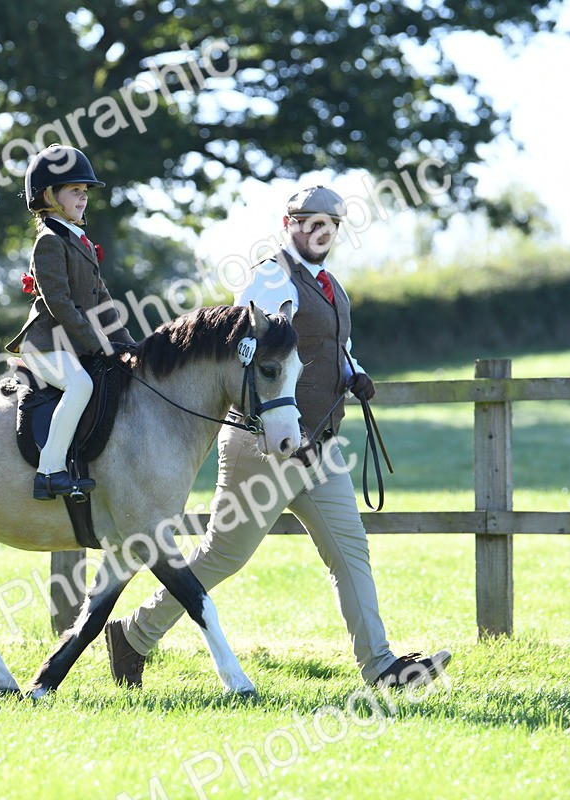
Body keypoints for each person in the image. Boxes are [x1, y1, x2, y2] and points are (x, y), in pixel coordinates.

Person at [104, 186, 452, 688]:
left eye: (328, 224)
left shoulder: (330, 285)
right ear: (288, 225)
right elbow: (261, 346)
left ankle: (381, 669)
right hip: (264, 446)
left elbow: (336, 344)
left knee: (351, 551)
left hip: (321, 446)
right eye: (307, 222)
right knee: (224, 555)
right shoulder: (272, 277)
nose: (318, 231)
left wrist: (354, 370)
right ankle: (135, 635)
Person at [5, 144, 136, 501]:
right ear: (49, 195)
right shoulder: (48, 242)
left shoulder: (79, 240)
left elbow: (103, 303)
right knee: (80, 387)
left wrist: (128, 345)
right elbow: (60, 305)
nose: (83, 199)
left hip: (71, 344)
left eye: (84, 193)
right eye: (75, 191)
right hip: (45, 345)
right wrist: (98, 345)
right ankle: (49, 472)